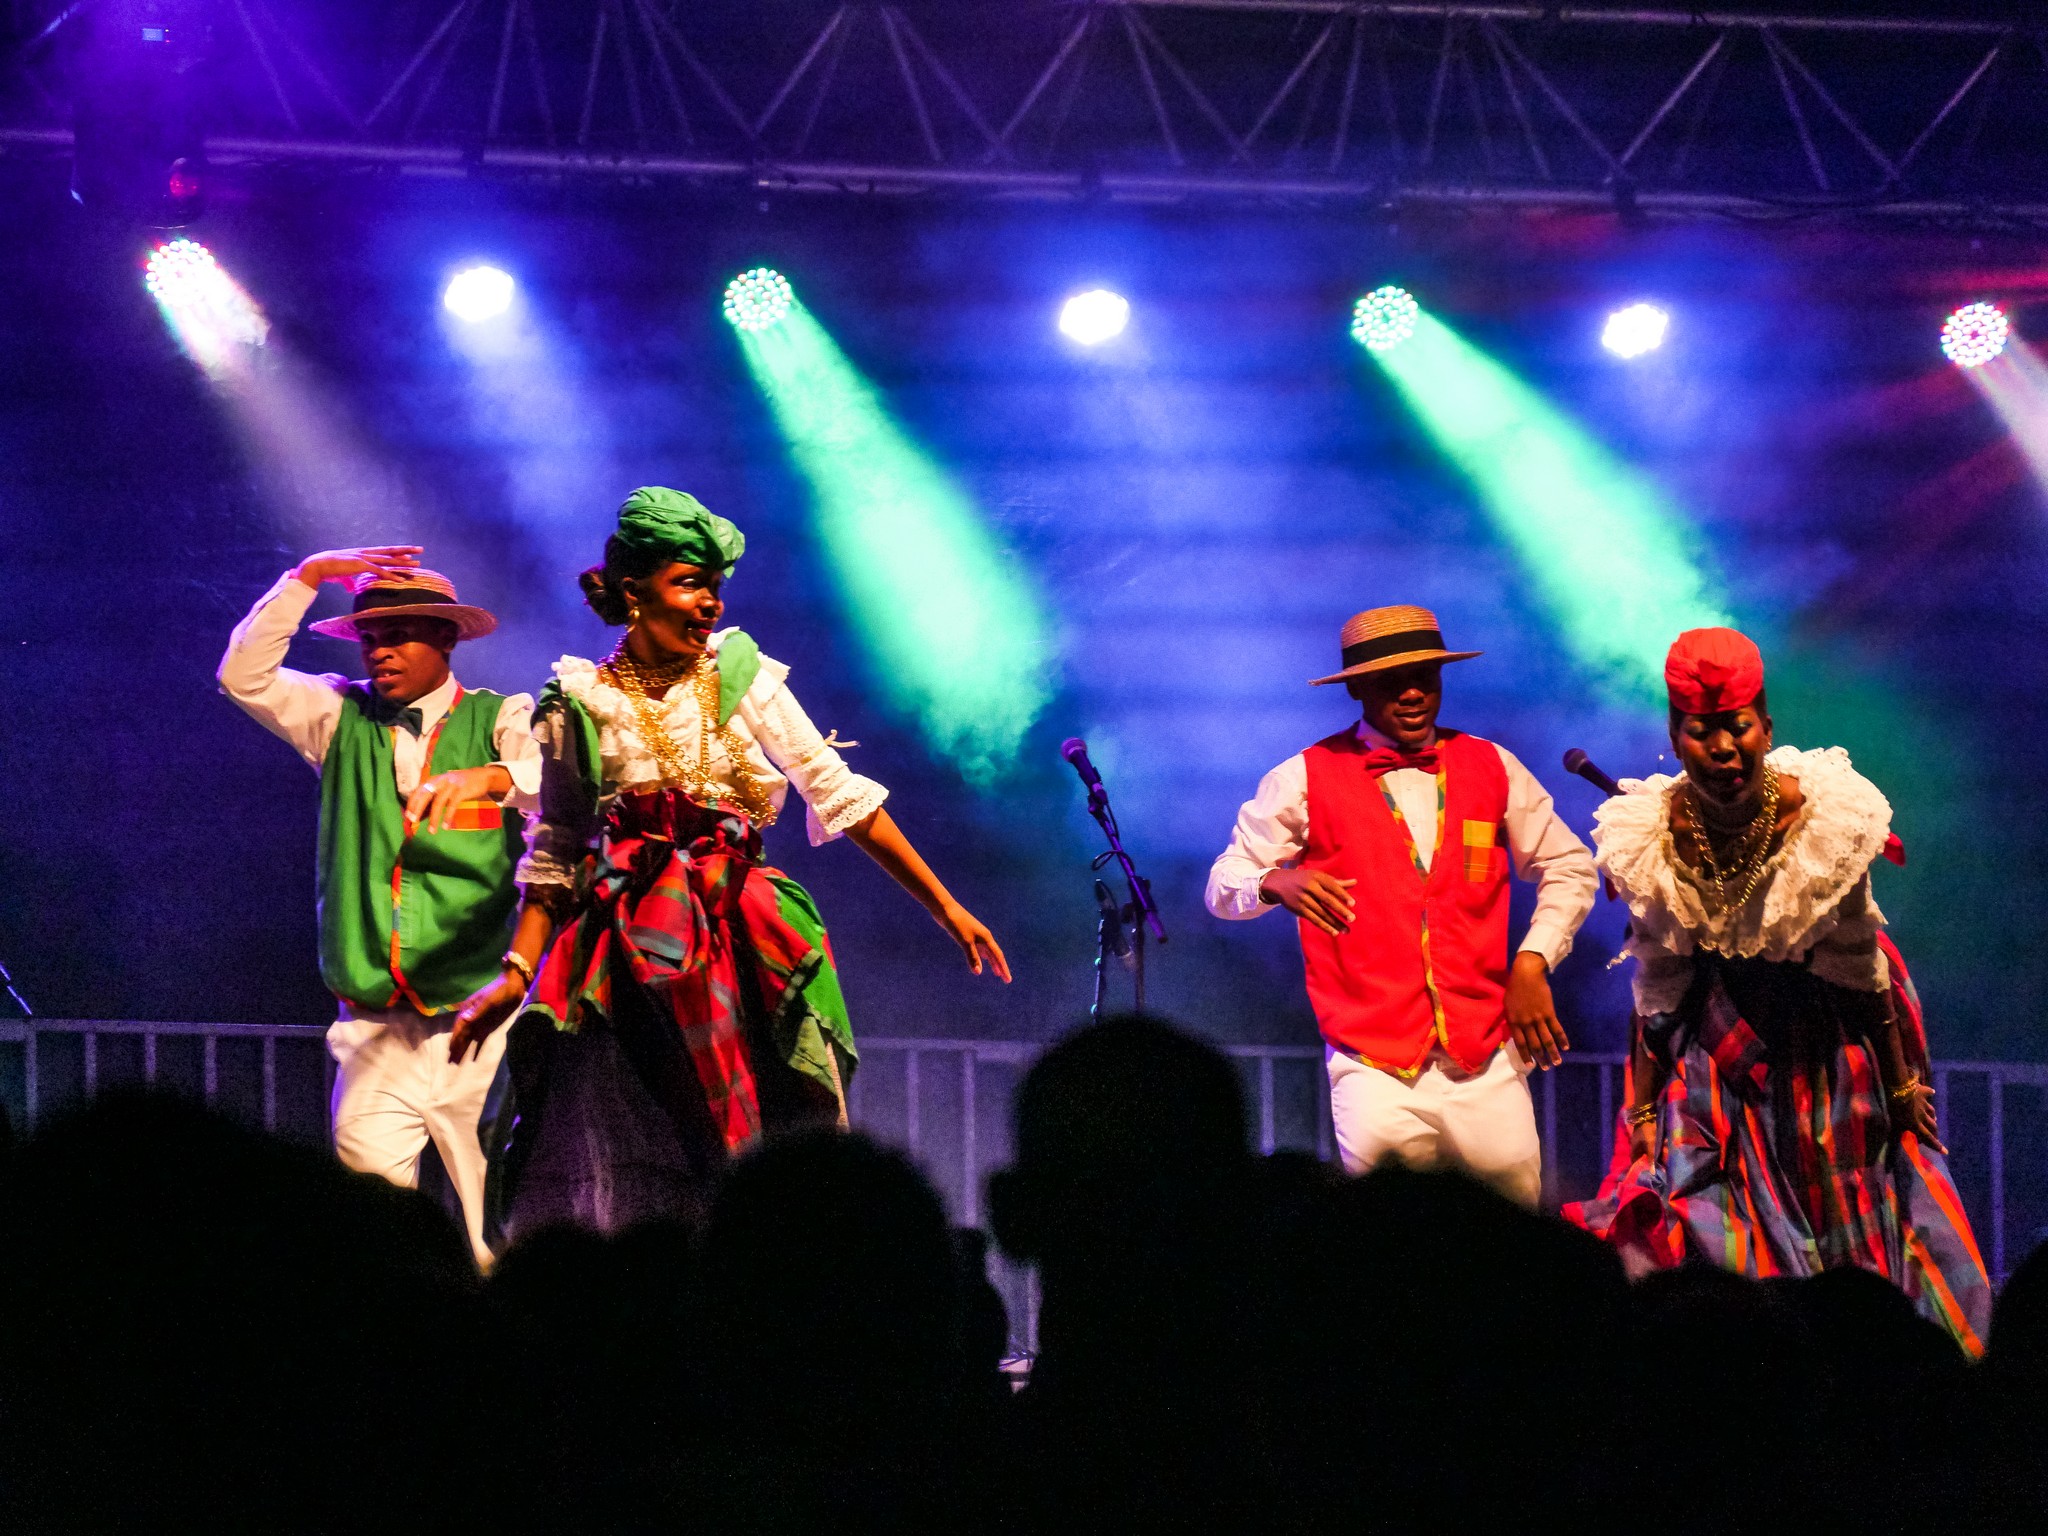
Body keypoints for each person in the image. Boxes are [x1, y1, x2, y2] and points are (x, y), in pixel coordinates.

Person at [453, 487, 1009, 1245]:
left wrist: (945, 905)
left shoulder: (742, 677)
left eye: (715, 585)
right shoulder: (578, 703)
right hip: (627, 953)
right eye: (689, 583)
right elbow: (557, 848)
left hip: (739, 932)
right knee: (641, 1138)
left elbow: (837, 792)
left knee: (780, 1129)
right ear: (633, 592)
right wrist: (516, 974)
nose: (710, 601)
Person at [1564, 627, 1991, 1354]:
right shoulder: (1651, 833)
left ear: (1766, 726)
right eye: (1702, 731)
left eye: (1737, 727)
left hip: (1826, 1037)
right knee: (1703, 1208)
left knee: (1845, 1204)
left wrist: (1899, 1088)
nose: (1723, 748)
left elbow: (1860, 970)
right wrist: (1642, 1108)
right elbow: (1658, 982)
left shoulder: (1822, 816)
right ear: (1675, 736)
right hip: (1715, 1044)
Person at [1205, 605, 1597, 1205]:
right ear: (1357, 688)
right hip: (1374, 1066)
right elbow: (1222, 885)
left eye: (1425, 676)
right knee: (1393, 1240)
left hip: (1485, 1058)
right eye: (1392, 680)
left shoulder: (1491, 765)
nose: (1413, 693)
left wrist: (1532, 960)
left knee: (1511, 1233)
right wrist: (1272, 881)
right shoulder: (1303, 777)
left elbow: (1569, 865)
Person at [219, 550, 539, 1266]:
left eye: (398, 635)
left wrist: (490, 778)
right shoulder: (338, 714)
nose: (380, 651)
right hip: (372, 1026)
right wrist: (306, 578)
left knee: (495, 1236)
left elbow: (558, 780)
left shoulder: (500, 718)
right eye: (369, 637)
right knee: (371, 1242)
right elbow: (243, 677)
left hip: (477, 1020)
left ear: (446, 638)